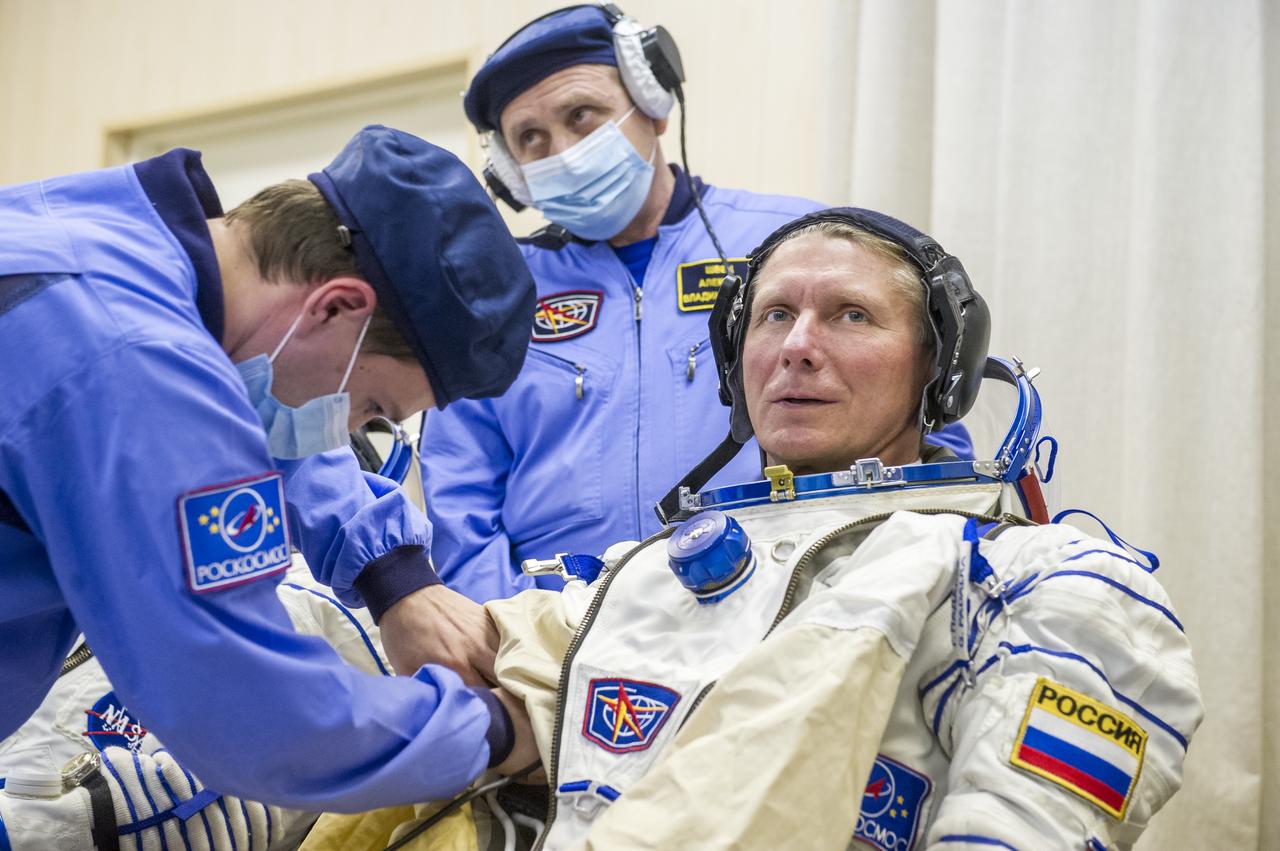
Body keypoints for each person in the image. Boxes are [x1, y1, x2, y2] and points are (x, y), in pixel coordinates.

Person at [317, 207, 1202, 850]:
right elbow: (503, 683)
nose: (796, 346)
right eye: (775, 315)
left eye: (850, 315)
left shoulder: (1042, 579)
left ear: (941, 371)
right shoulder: (649, 572)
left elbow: (1022, 830)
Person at [0, 125, 541, 820]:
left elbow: (256, 412)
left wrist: (395, 574)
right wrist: (494, 730)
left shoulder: (107, 236)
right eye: (372, 407)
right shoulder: (135, 363)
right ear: (337, 304)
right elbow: (250, 710)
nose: (345, 434)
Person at [419, 4, 826, 602]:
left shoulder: (798, 245)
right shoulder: (493, 298)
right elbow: (460, 500)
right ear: (511, 170)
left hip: (771, 611)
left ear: (654, 106)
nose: (561, 151)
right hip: (559, 637)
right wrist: (508, 637)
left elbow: (901, 420)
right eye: (530, 138)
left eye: (582, 116)